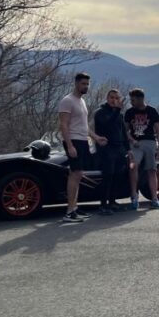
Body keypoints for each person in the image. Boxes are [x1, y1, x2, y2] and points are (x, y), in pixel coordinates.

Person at [58, 73, 107, 223]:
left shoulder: (82, 101)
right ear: (76, 83)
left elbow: (84, 126)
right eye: (83, 84)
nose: (86, 86)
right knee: (75, 174)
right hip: (73, 140)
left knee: (78, 175)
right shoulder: (67, 101)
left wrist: (96, 137)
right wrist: (70, 145)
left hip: (82, 140)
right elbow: (64, 125)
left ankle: (74, 208)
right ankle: (69, 212)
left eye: (87, 84)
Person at [124, 88, 159, 210]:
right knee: (133, 166)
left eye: (133, 100)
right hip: (135, 143)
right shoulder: (129, 112)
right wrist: (132, 140)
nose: (131, 102)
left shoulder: (152, 111)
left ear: (141, 99)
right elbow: (125, 131)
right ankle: (134, 197)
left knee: (151, 170)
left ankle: (154, 199)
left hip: (150, 142)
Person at [93, 89, 129, 215]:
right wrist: (118, 110)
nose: (114, 100)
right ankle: (103, 205)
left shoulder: (119, 114)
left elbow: (123, 132)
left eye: (116, 98)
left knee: (117, 177)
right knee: (107, 177)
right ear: (107, 98)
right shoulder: (100, 113)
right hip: (106, 149)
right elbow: (107, 125)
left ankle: (112, 202)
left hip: (119, 149)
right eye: (111, 97)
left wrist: (128, 149)